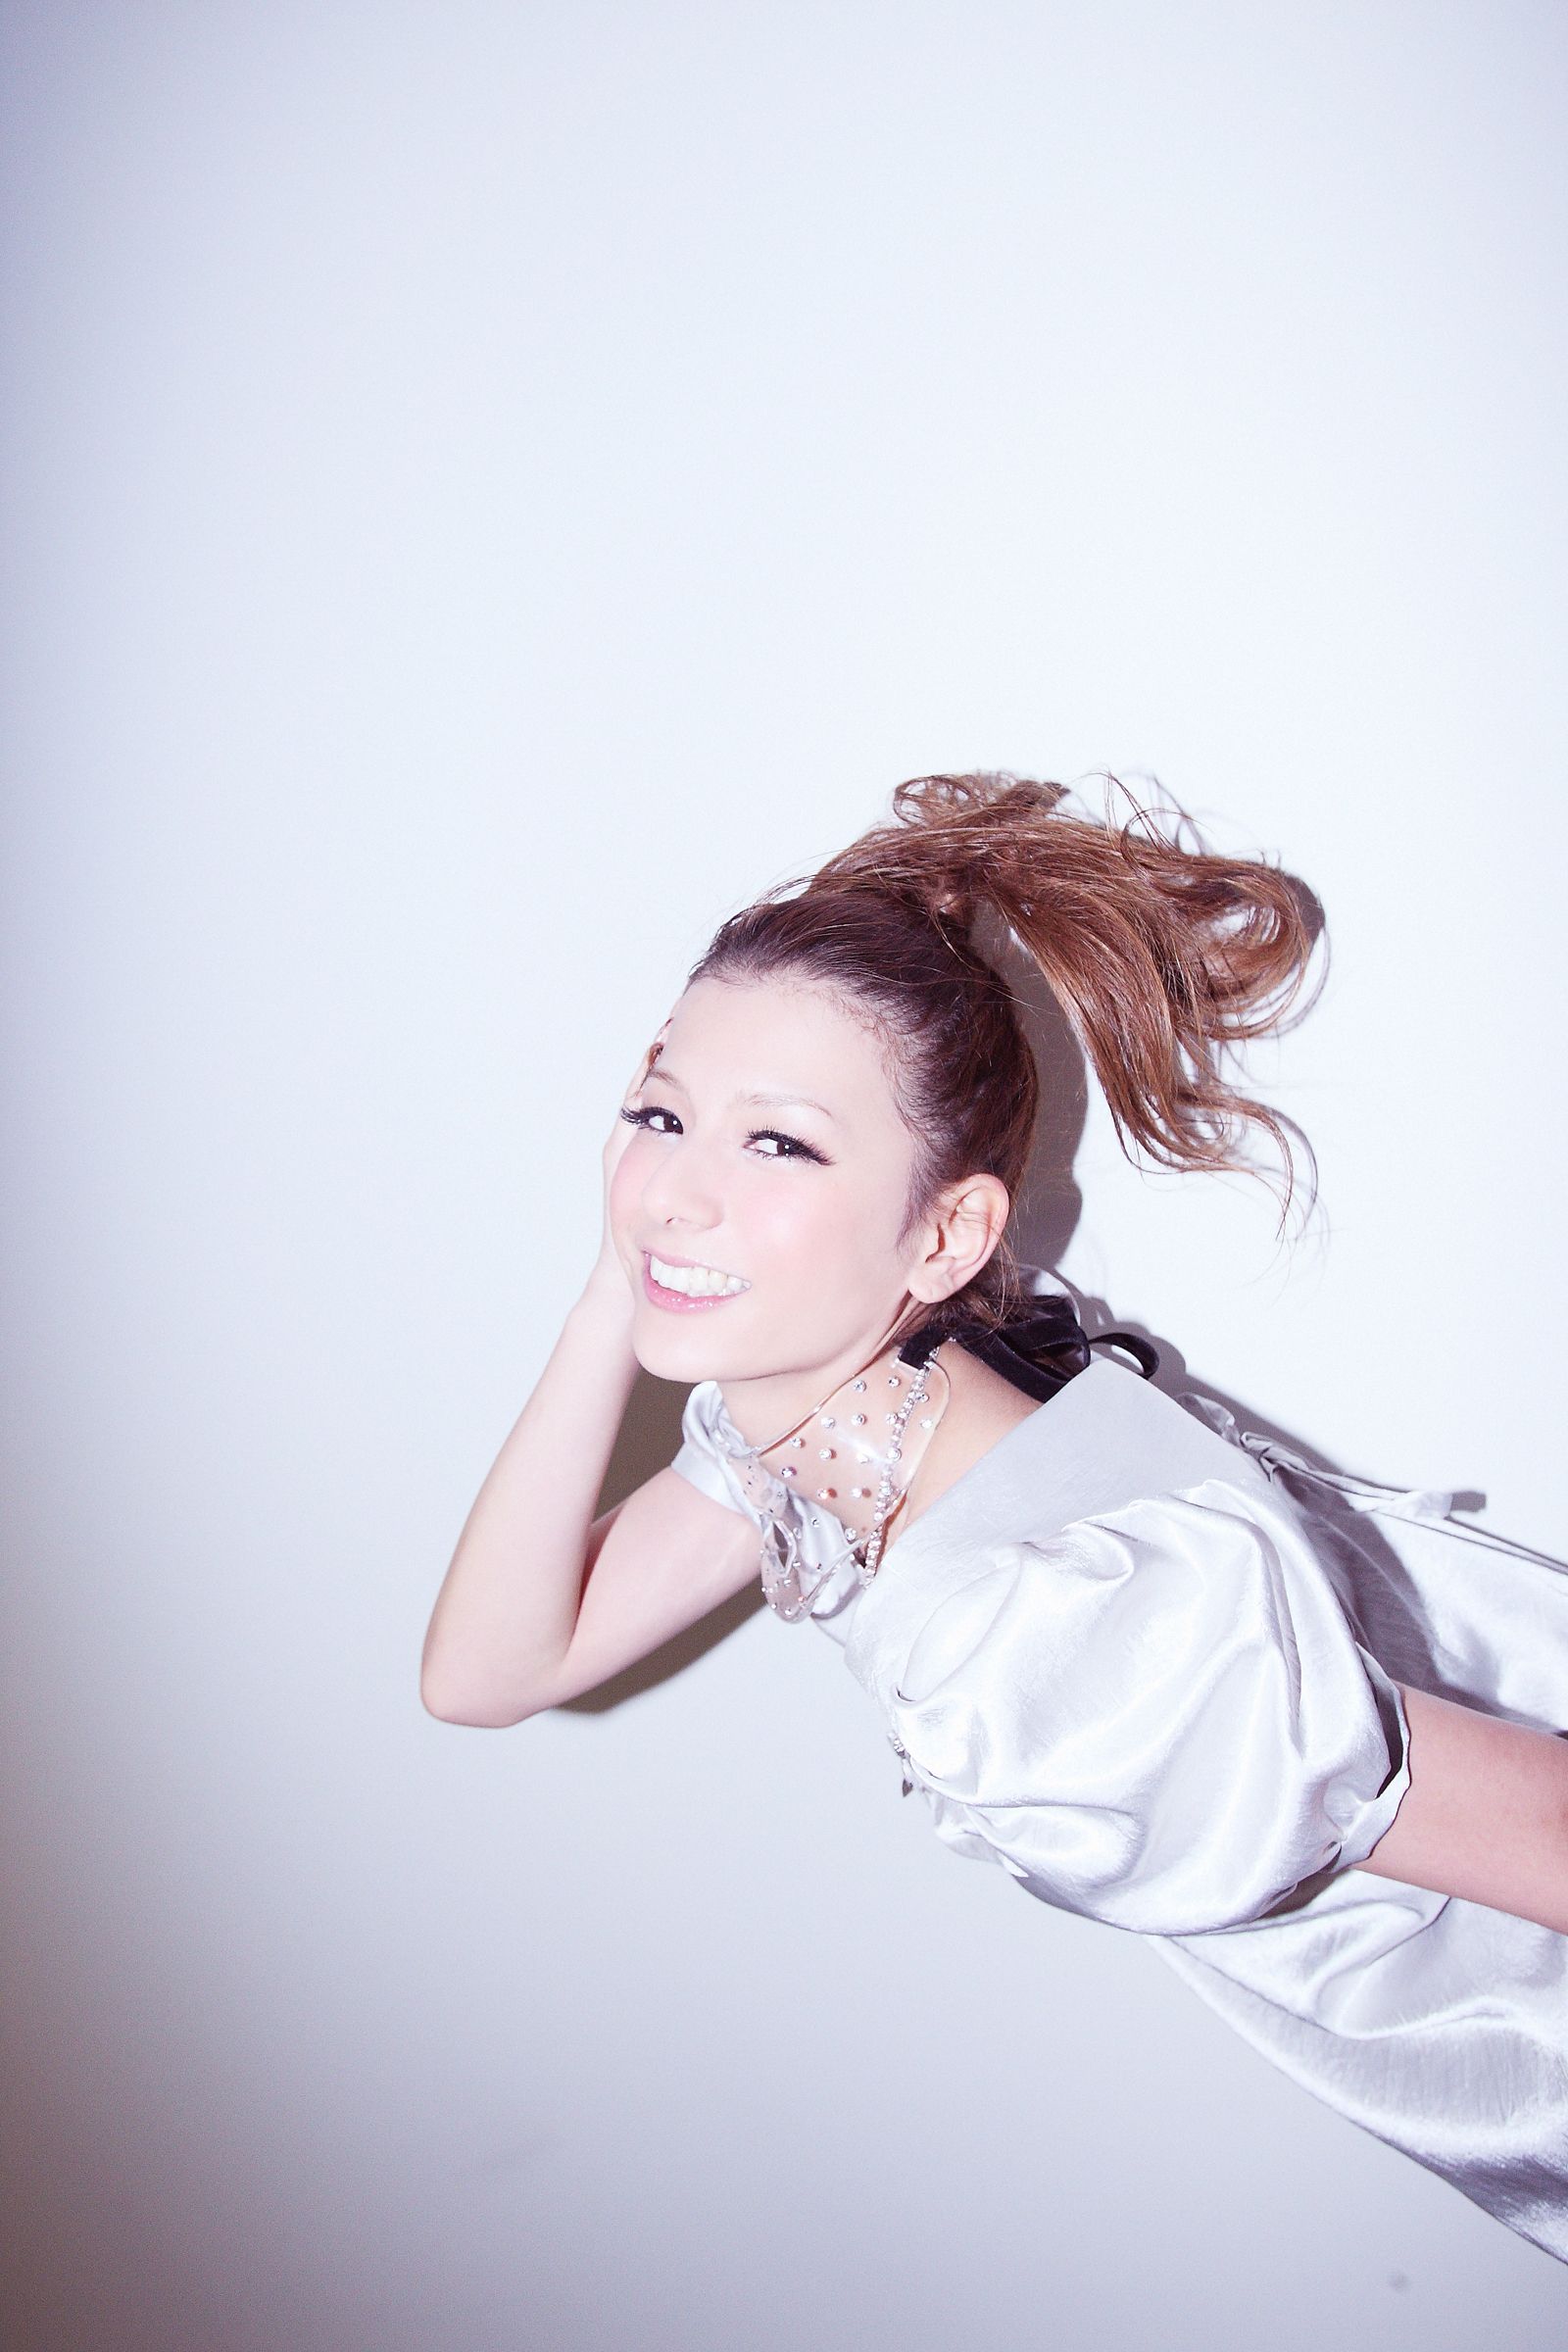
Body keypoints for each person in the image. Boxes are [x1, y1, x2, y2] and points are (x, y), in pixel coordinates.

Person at [421, 772, 1568, 2261]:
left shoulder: (1037, 1637)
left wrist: (655, 1245)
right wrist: (612, 1281)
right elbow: (490, 1671)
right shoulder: (860, 1408)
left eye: (779, 1144)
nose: (676, 1193)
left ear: (951, 1230)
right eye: (661, 1113)